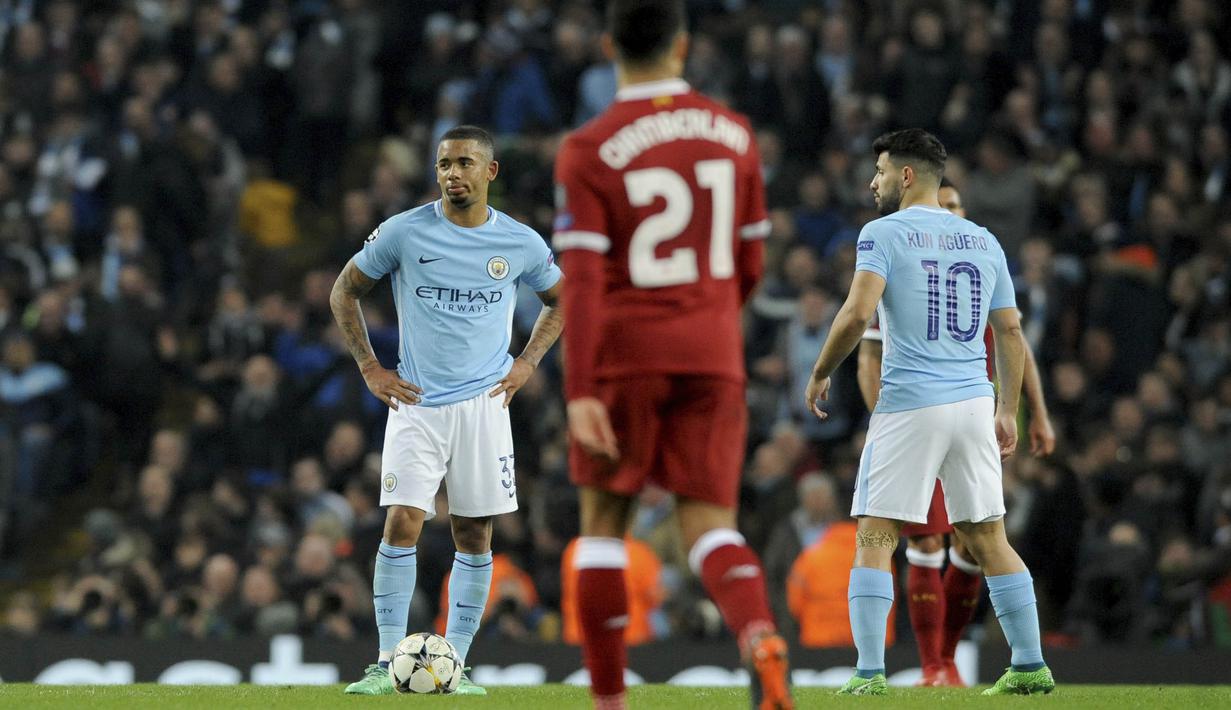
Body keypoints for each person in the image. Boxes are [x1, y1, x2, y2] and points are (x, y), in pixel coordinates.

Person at [554, 2, 792, 709]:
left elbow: (585, 281)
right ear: (682, 45)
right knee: (711, 529)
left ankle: (607, 699)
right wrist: (712, 318)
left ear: (607, 47)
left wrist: (581, 389)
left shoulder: (588, 147)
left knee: (602, 529)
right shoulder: (735, 134)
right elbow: (750, 261)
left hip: (625, 356)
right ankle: (757, 636)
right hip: (713, 352)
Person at [803, 128, 1054, 696]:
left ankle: (868, 673)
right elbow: (1010, 331)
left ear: (907, 176)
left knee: (873, 535)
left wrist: (820, 371)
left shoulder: (883, 234)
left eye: (882, 171)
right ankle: (1030, 663)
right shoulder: (984, 241)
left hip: (911, 405)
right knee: (989, 536)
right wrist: (1007, 410)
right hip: (972, 405)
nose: (874, 182)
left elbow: (856, 311)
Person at [329, 125, 564, 696]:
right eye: (442, 164)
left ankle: (453, 665)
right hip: (418, 402)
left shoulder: (520, 244)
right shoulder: (406, 232)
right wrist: (370, 367)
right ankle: (387, 662)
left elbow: (562, 301)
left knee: (475, 535)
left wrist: (528, 363)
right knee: (402, 520)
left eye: (463, 162)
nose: (452, 173)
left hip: (486, 406)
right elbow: (344, 291)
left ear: (490, 172)